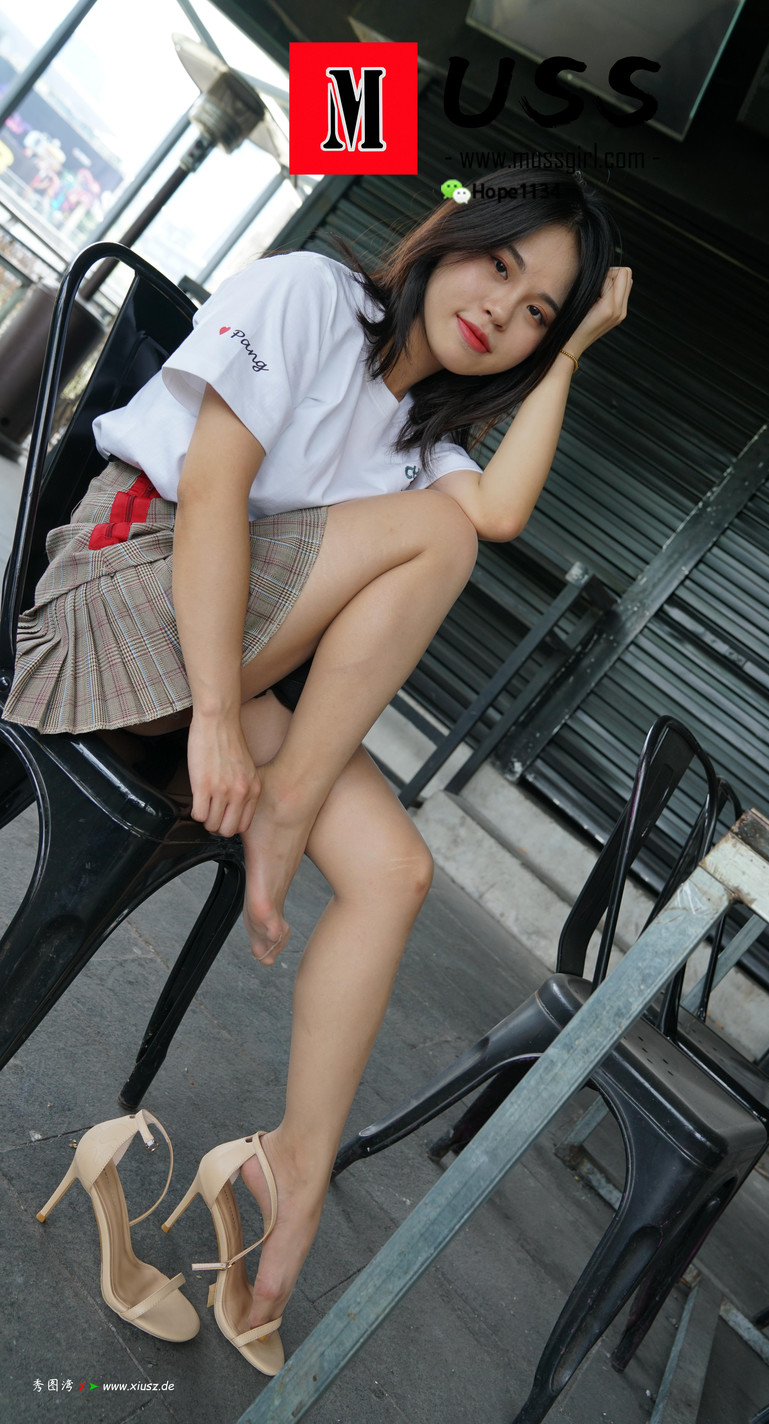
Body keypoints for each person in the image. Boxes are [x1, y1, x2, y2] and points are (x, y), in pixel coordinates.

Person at [8, 166, 631, 1371]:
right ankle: (284, 805)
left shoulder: (422, 441)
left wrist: (571, 354)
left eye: (536, 312)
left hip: (224, 664)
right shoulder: (309, 295)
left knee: (394, 872)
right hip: (115, 603)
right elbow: (211, 495)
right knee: (433, 534)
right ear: (452, 235)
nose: (500, 311)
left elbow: (501, 510)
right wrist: (214, 724)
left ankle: (288, 1170)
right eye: (499, 265)